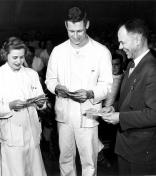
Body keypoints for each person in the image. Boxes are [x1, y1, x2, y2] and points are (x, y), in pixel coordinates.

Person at [45, 6, 112, 176]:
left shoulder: (101, 52)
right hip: (64, 114)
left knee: (89, 162)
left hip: (88, 114)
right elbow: (50, 80)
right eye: (71, 31)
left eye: (80, 31)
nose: (75, 36)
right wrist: (56, 88)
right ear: (66, 26)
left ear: (87, 24)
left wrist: (90, 93)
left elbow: (106, 85)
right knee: (65, 160)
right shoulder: (58, 51)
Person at [101, 19, 156, 175]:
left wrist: (120, 117)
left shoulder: (152, 68)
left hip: (142, 152)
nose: (120, 47)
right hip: (126, 147)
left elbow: (154, 114)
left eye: (122, 42)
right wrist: (114, 108)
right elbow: (128, 100)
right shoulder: (132, 65)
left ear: (137, 40)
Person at [0, 37, 47, 176]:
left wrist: (40, 103)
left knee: (35, 170)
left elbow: (42, 101)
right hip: (11, 132)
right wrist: (10, 105)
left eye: (21, 57)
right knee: (15, 171)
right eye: (14, 57)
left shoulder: (31, 74)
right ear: (5, 55)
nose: (19, 61)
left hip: (31, 130)